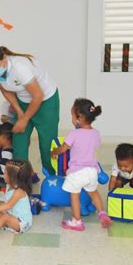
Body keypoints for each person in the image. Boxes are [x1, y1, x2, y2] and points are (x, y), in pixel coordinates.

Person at [0, 45, 60, 175]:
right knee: (18, 143)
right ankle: (21, 179)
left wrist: (25, 119)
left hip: (46, 101)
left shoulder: (20, 67)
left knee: (47, 144)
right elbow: (5, 90)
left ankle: (52, 178)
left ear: (4, 58)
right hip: (23, 101)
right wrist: (19, 112)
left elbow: (38, 96)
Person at [51, 98, 113, 231]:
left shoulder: (74, 133)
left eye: (72, 116)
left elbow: (64, 148)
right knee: (93, 192)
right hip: (92, 171)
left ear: (80, 118)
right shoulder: (96, 133)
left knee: (75, 195)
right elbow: (94, 146)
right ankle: (102, 213)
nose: (72, 119)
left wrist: (54, 152)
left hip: (77, 172)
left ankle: (76, 221)